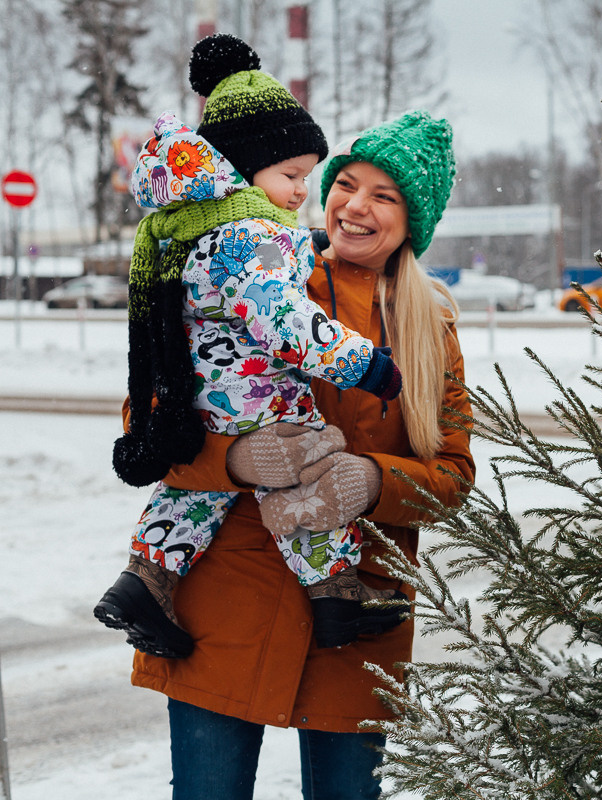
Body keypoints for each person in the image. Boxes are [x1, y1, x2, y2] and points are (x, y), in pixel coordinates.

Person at [126, 107, 471, 799]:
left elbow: (454, 475)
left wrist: (373, 480)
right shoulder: (256, 274)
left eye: (385, 195)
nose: (355, 206)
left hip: (355, 606)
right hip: (230, 594)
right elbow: (145, 422)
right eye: (345, 183)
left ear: (414, 221)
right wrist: (235, 460)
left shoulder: (429, 322)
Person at [94, 34, 406, 660]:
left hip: (200, 389)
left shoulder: (192, 222)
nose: (301, 192)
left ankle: (146, 579)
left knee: (195, 491)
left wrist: (301, 244)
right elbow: (282, 319)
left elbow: (241, 280)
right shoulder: (249, 236)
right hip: (255, 391)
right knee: (306, 470)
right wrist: (359, 362)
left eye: (307, 178)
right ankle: (335, 593)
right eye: (291, 176)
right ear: (242, 167)